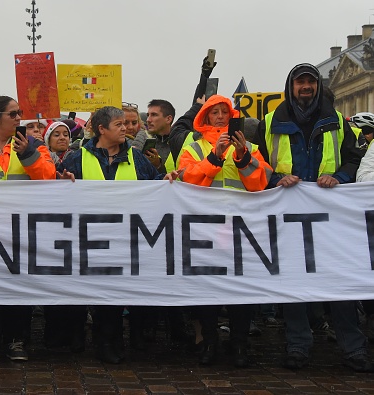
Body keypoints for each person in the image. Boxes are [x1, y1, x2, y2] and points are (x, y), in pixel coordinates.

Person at [255, 63, 372, 373]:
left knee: (339, 282)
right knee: (295, 283)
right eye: (300, 82)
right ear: (291, 86)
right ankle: (297, 346)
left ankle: (354, 348)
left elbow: (354, 158)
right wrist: (277, 177)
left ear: (317, 85)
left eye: (310, 81)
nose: (305, 86)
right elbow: (258, 165)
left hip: (331, 217)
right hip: (288, 214)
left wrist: (341, 177)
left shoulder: (336, 119)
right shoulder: (270, 121)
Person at [59, 106, 180, 364]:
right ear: (102, 129)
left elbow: (154, 185)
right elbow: (59, 194)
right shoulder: (76, 159)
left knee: (124, 291)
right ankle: (105, 341)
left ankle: (121, 340)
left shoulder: (137, 159)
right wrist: (65, 183)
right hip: (92, 240)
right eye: (118, 125)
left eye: (125, 124)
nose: (125, 128)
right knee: (102, 294)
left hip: (129, 239)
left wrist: (165, 179)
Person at [178, 94, 272, 367]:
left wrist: (242, 157)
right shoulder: (193, 149)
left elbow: (260, 182)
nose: (220, 116)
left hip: (240, 231)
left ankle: (240, 344)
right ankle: (209, 342)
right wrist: (214, 158)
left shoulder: (249, 146)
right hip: (204, 232)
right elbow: (186, 180)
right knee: (207, 291)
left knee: (240, 292)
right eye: (214, 112)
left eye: (224, 111)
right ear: (205, 117)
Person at [0, 96, 56, 367]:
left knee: (20, 287)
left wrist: (27, 154)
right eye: (13, 114)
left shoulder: (35, 146)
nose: (19, 118)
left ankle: (17, 340)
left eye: (20, 113)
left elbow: (48, 177)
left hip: (23, 231)